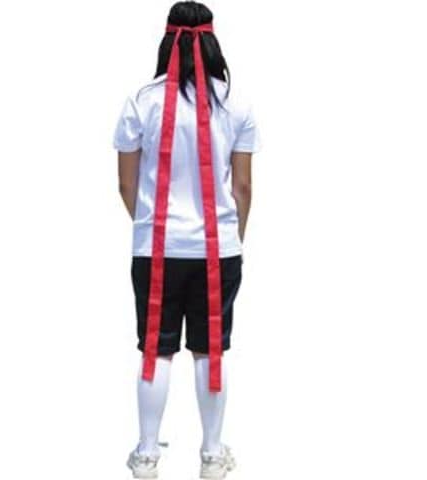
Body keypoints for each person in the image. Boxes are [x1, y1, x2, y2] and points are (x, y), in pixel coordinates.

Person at [113, 2, 261, 478]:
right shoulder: (236, 103)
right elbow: (242, 187)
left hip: (156, 247)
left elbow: (126, 184)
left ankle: (146, 454)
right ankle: (212, 454)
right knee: (209, 348)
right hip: (217, 249)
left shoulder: (141, 101)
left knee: (154, 349)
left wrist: (153, 226)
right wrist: (233, 237)